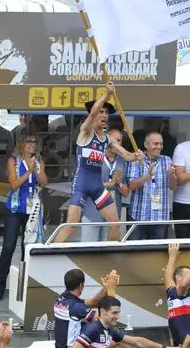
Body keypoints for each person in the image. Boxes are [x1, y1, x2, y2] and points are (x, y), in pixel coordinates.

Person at [54, 82, 142, 243]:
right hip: (81, 185)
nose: (104, 115)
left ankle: (109, 254)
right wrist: (106, 95)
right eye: (101, 112)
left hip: (97, 188)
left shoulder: (107, 139)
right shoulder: (85, 131)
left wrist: (137, 155)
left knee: (115, 224)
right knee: (71, 225)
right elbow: (93, 112)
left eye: (106, 113)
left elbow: (127, 156)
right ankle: (49, 253)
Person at [0, 132, 48, 302]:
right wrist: (28, 171)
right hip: (15, 209)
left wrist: (36, 171)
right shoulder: (13, 161)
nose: (32, 144)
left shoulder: (39, 161)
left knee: (28, 248)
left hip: (32, 210)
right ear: (22, 145)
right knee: (8, 247)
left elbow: (44, 181)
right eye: (29, 141)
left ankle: (25, 287)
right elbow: (14, 184)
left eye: (34, 142)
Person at [54, 269, 119, 348]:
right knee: (120, 345)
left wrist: (105, 288)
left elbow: (93, 302)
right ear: (81, 285)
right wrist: (112, 289)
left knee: (118, 345)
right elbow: (106, 316)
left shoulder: (62, 299)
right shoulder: (76, 308)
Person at [80, 128, 130, 242]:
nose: (116, 143)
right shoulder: (93, 156)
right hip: (93, 212)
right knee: (89, 252)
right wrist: (109, 184)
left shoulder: (123, 161)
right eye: (114, 140)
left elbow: (126, 193)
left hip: (112, 215)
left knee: (108, 253)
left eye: (119, 140)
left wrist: (119, 184)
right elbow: (86, 185)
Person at [126, 132, 177, 240]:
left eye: (161, 144)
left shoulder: (167, 160)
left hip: (160, 216)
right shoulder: (136, 159)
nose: (159, 147)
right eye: (155, 144)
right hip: (138, 216)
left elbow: (173, 187)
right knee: (134, 253)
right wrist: (148, 176)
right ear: (146, 144)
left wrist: (171, 175)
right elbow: (132, 186)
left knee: (156, 253)